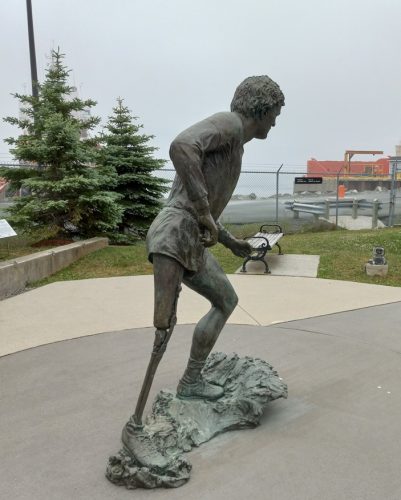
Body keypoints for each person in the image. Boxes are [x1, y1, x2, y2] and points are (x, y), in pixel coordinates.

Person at [126, 75, 284, 439]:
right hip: (173, 235)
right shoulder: (229, 125)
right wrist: (200, 207)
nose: (274, 122)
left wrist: (230, 243)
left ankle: (191, 381)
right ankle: (136, 426)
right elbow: (181, 146)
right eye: (273, 113)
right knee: (163, 328)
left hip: (190, 237)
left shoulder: (236, 146)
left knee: (226, 300)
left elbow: (210, 211)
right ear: (259, 109)